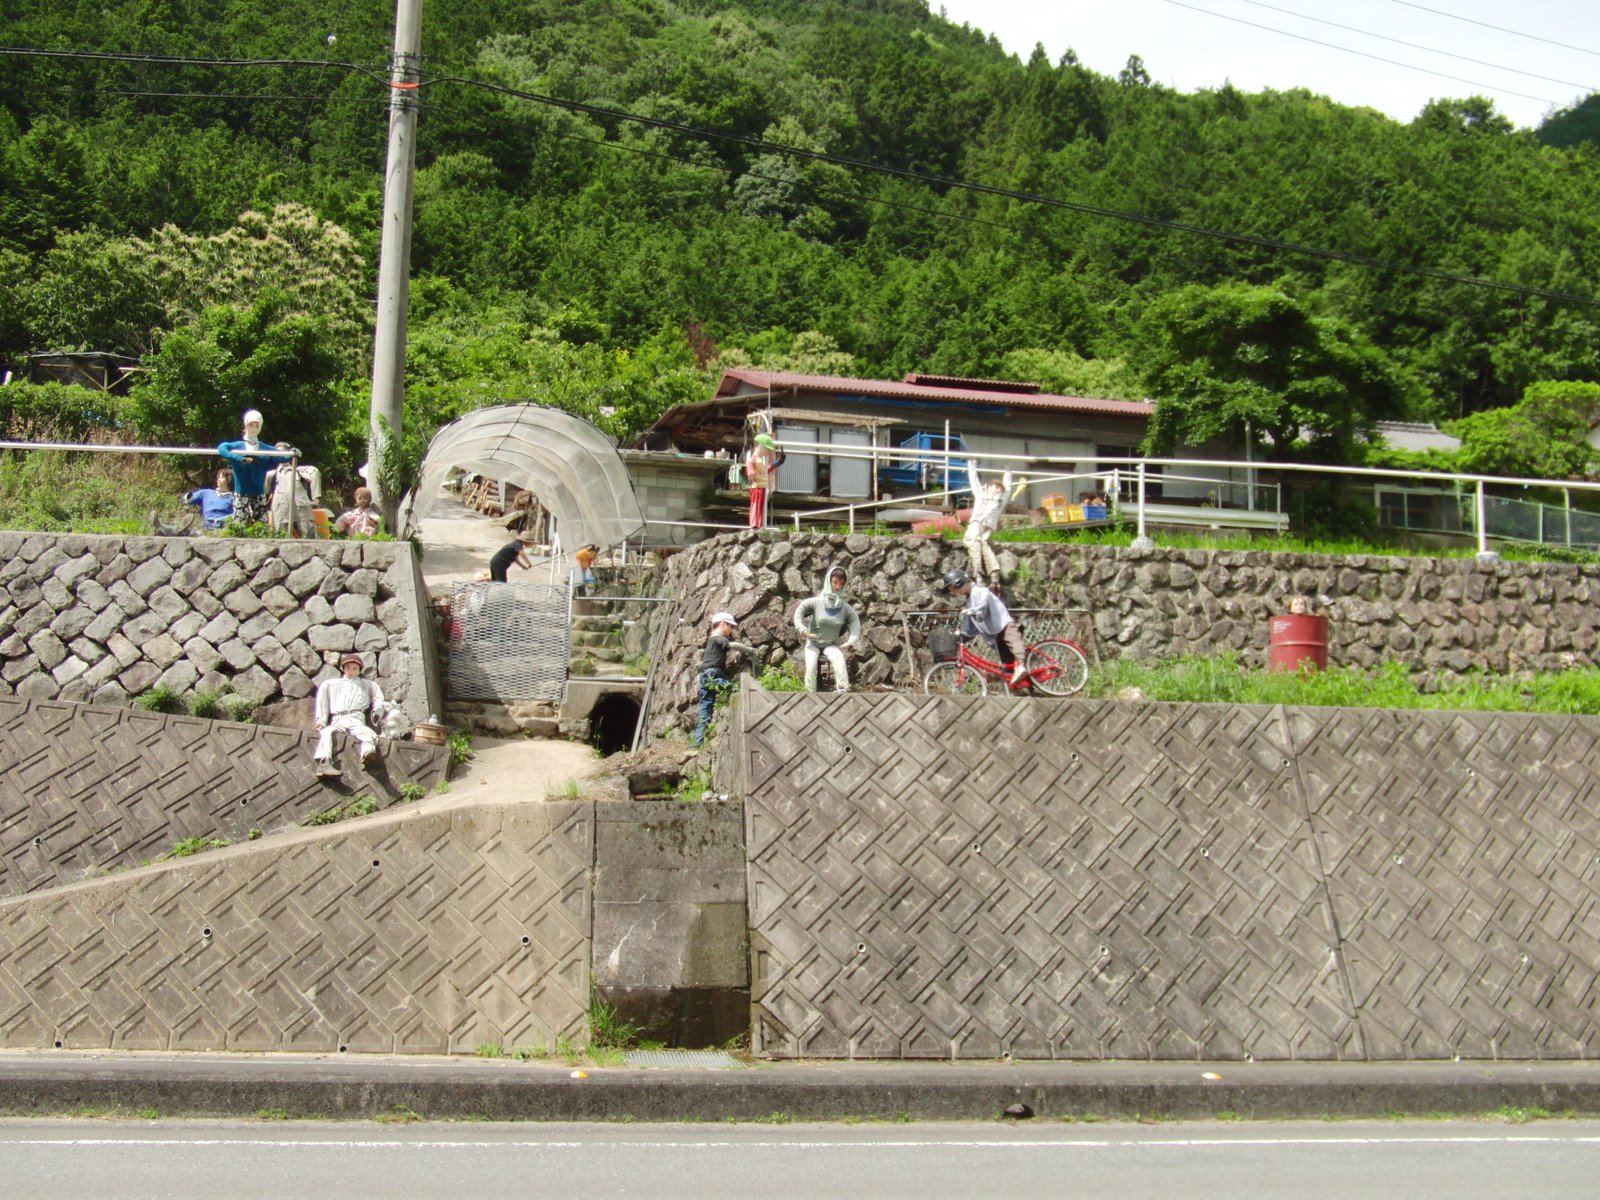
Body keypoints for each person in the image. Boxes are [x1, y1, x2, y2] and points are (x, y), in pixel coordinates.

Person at [940, 567, 1028, 687]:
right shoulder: (969, 602)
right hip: (995, 635)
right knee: (1007, 663)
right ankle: (1022, 686)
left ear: (960, 582)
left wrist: (973, 611)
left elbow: (982, 605)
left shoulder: (981, 591)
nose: (955, 592)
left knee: (1014, 642)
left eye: (954, 588)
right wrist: (962, 634)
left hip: (1004, 624)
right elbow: (969, 626)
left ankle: (1021, 665)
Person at [792, 563, 861, 693]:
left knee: (838, 658)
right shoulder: (816, 602)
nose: (837, 587)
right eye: (835, 583)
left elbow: (855, 623)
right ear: (829, 582)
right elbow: (798, 613)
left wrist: (851, 640)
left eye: (841, 584)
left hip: (831, 644)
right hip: (813, 644)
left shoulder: (845, 607)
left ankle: (843, 690)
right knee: (811, 665)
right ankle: (809, 694)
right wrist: (804, 631)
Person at [313, 653, 384, 776]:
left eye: (354, 668)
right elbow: (322, 702)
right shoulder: (330, 684)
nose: (351, 671)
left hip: (356, 718)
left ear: (359, 670)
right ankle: (324, 763)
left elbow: (379, 699)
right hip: (338, 718)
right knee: (327, 732)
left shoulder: (368, 684)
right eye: (348, 668)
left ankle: (367, 754)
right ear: (343, 668)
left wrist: (377, 712)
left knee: (368, 734)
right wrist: (321, 721)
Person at [693, 611, 757, 748]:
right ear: (722, 623)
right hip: (713, 674)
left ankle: (697, 744)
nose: (732, 630)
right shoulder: (717, 638)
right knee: (736, 691)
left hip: (705, 676)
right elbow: (732, 645)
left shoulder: (712, 640)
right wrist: (750, 650)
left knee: (705, 710)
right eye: (730, 626)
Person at [217, 409, 276, 526]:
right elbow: (222, 448)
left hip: (258, 492)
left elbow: (282, 455)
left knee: (261, 524)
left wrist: (291, 453)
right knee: (239, 523)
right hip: (241, 492)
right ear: (245, 426)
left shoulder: (264, 448)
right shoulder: (239, 446)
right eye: (251, 425)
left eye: (256, 425)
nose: (253, 428)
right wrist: (240, 458)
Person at [963, 463, 1012, 586]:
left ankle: (993, 575)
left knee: (984, 545)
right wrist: (971, 464)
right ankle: (980, 574)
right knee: (974, 543)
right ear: (989, 486)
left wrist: (1008, 473)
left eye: (1000, 488)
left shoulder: (1000, 501)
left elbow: (1008, 489)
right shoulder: (981, 495)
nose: (999, 489)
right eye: (996, 486)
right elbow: (974, 480)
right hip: (976, 524)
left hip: (987, 526)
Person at [267, 443, 320, 538]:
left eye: (283, 452)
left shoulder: (298, 471)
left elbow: (314, 472)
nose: (281, 455)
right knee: (281, 538)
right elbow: (265, 493)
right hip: (281, 510)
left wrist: (316, 497)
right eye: (278, 453)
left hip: (301, 508)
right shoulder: (271, 475)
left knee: (309, 537)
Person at [746, 433, 778, 529]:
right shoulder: (754, 459)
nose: (768, 452)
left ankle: (759, 524)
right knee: (756, 505)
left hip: (762, 487)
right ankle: (754, 524)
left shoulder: (762, 460)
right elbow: (750, 465)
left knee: (761, 507)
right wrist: (751, 474)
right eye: (767, 449)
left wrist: (777, 463)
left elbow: (765, 471)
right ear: (761, 446)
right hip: (756, 487)